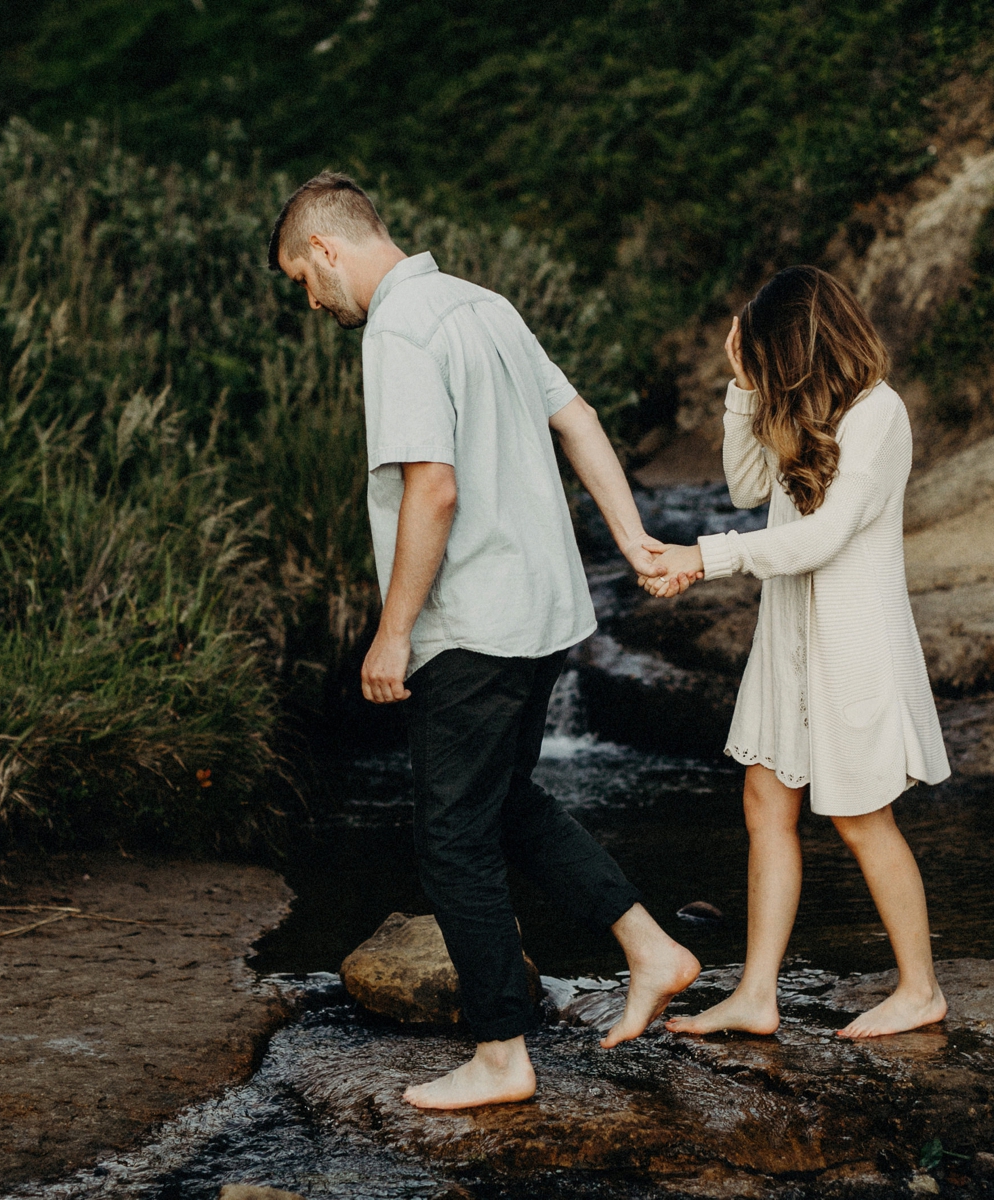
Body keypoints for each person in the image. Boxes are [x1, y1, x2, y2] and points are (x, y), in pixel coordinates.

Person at [268, 172, 701, 1109]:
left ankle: (502, 1051)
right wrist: (629, 539)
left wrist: (392, 637)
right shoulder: (484, 304)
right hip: (543, 609)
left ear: (328, 250)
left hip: (473, 621)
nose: (309, 299)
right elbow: (576, 417)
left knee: (451, 837)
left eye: (302, 277)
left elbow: (434, 488)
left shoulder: (398, 327)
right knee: (504, 800)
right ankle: (650, 945)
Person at [642, 265, 951, 1040]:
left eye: (768, 355)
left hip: (851, 643)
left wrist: (702, 558)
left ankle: (920, 989)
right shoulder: (803, 409)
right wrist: (742, 386)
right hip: (788, 641)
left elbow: (822, 536)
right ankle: (755, 993)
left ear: (806, 344)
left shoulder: (878, 415)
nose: (766, 369)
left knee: (859, 817)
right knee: (764, 803)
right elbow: (747, 487)